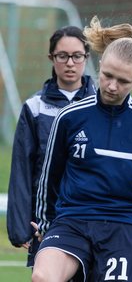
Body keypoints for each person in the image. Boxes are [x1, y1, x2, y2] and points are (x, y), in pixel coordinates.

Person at [32, 16, 132, 282]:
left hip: (125, 226)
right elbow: (50, 178)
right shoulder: (70, 117)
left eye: (122, 81)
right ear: (99, 66)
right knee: (43, 277)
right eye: (107, 75)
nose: (111, 86)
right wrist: (45, 227)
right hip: (73, 221)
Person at [7, 25, 96, 270]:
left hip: (90, 215)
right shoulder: (34, 108)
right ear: (51, 58)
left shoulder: (100, 105)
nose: (70, 63)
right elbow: (22, 169)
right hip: (46, 221)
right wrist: (20, 225)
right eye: (62, 56)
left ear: (86, 58)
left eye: (77, 56)